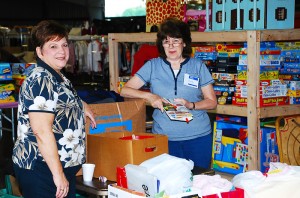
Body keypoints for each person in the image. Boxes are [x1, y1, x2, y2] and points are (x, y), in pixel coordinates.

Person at [12, 20, 97, 198]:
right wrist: (58, 175)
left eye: (64, 45)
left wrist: (82, 105)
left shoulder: (56, 75)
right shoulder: (41, 79)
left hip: (57, 168)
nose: (61, 51)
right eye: (53, 46)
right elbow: (41, 131)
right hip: (43, 169)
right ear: (39, 51)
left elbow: (59, 98)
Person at [120, 17, 217, 169]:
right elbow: (125, 90)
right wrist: (150, 96)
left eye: (176, 41)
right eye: (166, 41)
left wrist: (190, 104)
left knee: (199, 184)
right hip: (165, 139)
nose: (171, 46)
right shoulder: (152, 66)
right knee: (168, 187)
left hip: (198, 138)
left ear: (184, 43)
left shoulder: (198, 66)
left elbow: (211, 101)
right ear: (161, 45)